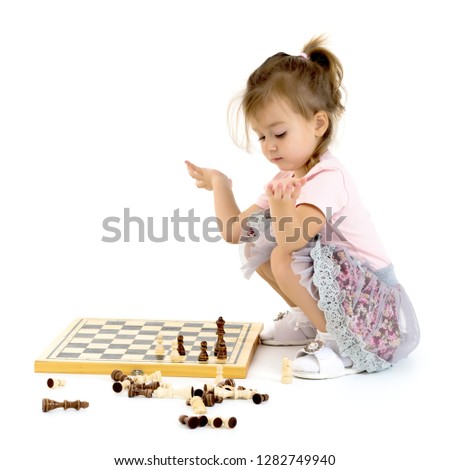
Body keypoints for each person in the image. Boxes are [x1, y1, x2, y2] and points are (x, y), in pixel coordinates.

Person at [185, 36, 419, 379]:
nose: (269, 146)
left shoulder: (327, 177)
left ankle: (343, 347)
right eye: (262, 136)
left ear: (318, 124)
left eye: (279, 133)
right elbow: (235, 231)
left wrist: (281, 207)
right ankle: (312, 320)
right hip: (348, 298)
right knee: (257, 244)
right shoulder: (288, 176)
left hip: (377, 315)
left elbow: (292, 239)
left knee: (282, 252)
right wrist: (221, 185)